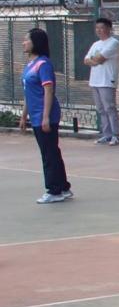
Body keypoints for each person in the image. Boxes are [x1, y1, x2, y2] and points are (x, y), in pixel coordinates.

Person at [20, 28, 72, 204]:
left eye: (27, 40)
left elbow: (48, 90)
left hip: (45, 115)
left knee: (48, 154)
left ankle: (54, 190)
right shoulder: (30, 65)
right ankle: (63, 187)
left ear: (36, 42)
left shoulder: (43, 64)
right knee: (51, 151)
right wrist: (24, 116)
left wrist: (45, 117)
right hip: (35, 115)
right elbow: (28, 93)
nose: (23, 43)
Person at [84, 17, 119, 146]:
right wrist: (94, 60)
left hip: (107, 80)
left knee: (109, 108)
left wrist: (95, 59)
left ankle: (116, 135)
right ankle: (107, 134)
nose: (99, 30)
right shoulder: (96, 44)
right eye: (97, 28)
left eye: (102, 28)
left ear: (109, 29)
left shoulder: (113, 43)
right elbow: (86, 60)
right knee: (101, 109)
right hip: (95, 80)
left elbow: (100, 59)